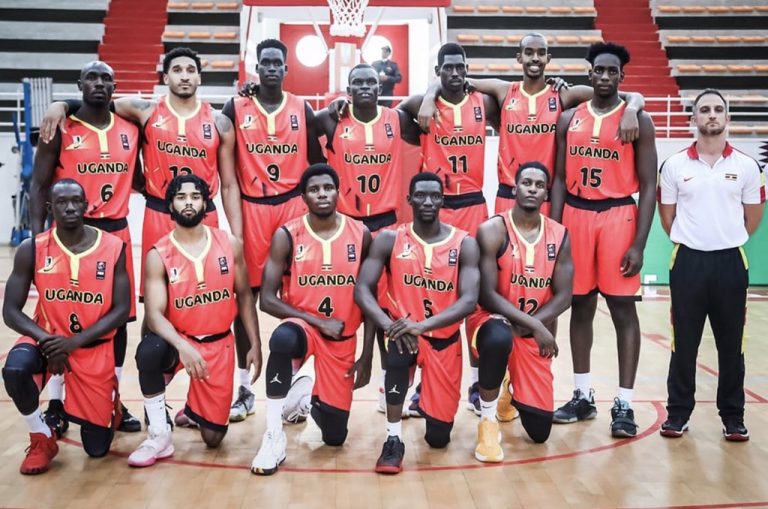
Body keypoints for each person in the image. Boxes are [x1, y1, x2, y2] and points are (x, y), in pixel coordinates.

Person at [40, 47, 244, 427]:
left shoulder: (219, 123)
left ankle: (205, 397)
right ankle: (155, 401)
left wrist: (237, 233)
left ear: (200, 77)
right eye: (177, 70)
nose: (184, 76)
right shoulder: (144, 110)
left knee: (209, 304)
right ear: (165, 77)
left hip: (206, 217)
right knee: (155, 310)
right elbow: (96, 102)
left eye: (191, 70)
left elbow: (230, 184)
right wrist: (61, 105)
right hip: (158, 214)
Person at [549, 42, 657, 438]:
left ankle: (624, 403)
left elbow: (649, 186)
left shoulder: (638, 120)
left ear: (622, 77)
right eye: (600, 70)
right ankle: (582, 395)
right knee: (579, 307)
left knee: (623, 311)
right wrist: (554, 232)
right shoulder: (568, 119)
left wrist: (639, 243)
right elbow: (559, 180)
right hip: (575, 215)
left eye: (613, 71)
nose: (606, 76)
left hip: (617, 216)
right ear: (590, 74)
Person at [28, 60, 142, 434]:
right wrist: (37, 240)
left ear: (115, 87)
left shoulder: (130, 129)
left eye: (106, 78)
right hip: (68, 235)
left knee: (119, 322)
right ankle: (57, 401)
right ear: (79, 85)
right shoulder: (60, 126)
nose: (99, 83)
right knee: (60, 317)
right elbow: (38, 186)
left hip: (116, 233)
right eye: (91, 77)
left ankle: (113, 400)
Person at [418, 32, 645, 216]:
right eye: (529, 53)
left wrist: (631, 110)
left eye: (541, 53)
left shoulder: (563, 94)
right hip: (508, 195)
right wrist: (429, 97)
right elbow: (456, 80)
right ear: (519, 58)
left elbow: (630, 96)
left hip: (547, 197)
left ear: (548, 58)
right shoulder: (504, 91)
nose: (535, 58)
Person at [222, 39, 325, 423]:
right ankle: (244, 388)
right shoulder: (235, 107)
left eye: (276, 63)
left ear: (285, 68)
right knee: (244, 297)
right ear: (256, 67)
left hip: (293, 208)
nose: (270, 68)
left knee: (299, 295)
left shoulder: (302, 108)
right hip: (252, 208)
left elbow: (316, 162)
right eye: (264, 62)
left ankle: (297, 383)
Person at [128, 174, 261, 467]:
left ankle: (194, 409)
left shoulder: (230, 244)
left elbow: (244, 295)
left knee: (213, 439)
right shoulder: (158, 254)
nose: (188, 202)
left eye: (195, 197)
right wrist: (182, 347)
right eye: (181, 197)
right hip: (179, 342)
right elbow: (154, 315)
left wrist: (255, 343)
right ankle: (159, 435)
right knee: (149, 351)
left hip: (218, 344)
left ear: (205, 204)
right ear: (170, 206)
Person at [250, 164, 374, 475]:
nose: (322, 194)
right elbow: (267, 300)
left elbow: (371, 298)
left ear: (338, 192)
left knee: (335, 437)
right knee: (282, 339)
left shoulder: (361, 234)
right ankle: (273, 435)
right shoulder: (287, 235)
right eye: (314, 189)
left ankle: (303, 395)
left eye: (328, 188)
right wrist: (317, 322)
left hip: (342, 339)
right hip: (304, 328)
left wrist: (367, 355)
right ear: (303, 197)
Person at [398, 42, 499, 417]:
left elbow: (517, 95)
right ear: (437, 71)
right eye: (447, 68)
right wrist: (429, 96)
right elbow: (394, 116)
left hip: (473, 205)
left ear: (466, 69)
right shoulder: (418, 105)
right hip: (435, 209)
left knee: (476, 299)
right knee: (430, 295)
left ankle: (476, 384)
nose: (455, 73)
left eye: (460, 67)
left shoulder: (484, 103)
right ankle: (420, 385)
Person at [2, 179, 131, 474]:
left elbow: (122, 310)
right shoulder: (32, 249)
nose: (70, 207)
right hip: (47, 339)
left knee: (96, 449)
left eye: (75, 201)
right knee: (15, 370)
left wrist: (72, 343)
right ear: (50, 208)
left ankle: (110, 405)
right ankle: (41, 437)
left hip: (91, 346)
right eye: (62, 202)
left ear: (86, 205)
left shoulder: (113, 247)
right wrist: (48, 341)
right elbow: (10, 312)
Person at [355, 172, 480, 474]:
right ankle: (393, 438)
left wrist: (422, 326)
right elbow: (362, 289)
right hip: (403, 334)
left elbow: (469, 301)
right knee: (398, 347)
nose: (427, 202)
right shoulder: (389, 239)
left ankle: (427, 398)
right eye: (421, 195)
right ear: (409, 199)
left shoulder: (464, 243)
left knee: (438, 439)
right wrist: (389, 325)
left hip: (442, 341)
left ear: (442, 200)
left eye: (434, 196)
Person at [658, 89, 765, 441]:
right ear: (694, 119)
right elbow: (667, 218)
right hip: (687, 262)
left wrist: (724, 237)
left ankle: (733, 416)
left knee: (732, 345)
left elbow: (753, 218)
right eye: (704, 109)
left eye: (718, 109)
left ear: (728, 118)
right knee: (683, 343)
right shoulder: (674, 165)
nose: (712, 115)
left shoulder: (747, 166)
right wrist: (696, 240)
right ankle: (678, 414)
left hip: (730, 263)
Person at [316, 63, 421, 415]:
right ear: (347, 89)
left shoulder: (398, 119)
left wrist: (432, 95)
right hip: (346, 227)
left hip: (386, 225)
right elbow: (306, 131)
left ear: (380, 88)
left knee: (386, 308)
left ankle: (388, 383)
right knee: (343, 306)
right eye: (357, 82)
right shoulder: (331, 120)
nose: (364, 87)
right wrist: (331, 105)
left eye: (371, 82)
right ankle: (317, 383)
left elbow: (425, 106)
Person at [467, 161, 573, 462]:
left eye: (539, 185)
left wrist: (532, 326)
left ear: (546, 193)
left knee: (539, 433)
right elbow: (487, 295)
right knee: (499, 337)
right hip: (492, 321)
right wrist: (536, 326)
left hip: (529, 331)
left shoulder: (560, 235)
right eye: (526, 183)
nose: (532, 189)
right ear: (515, 189)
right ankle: (488, 422)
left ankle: (508, 390)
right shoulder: (492, 230)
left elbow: (564, 295)